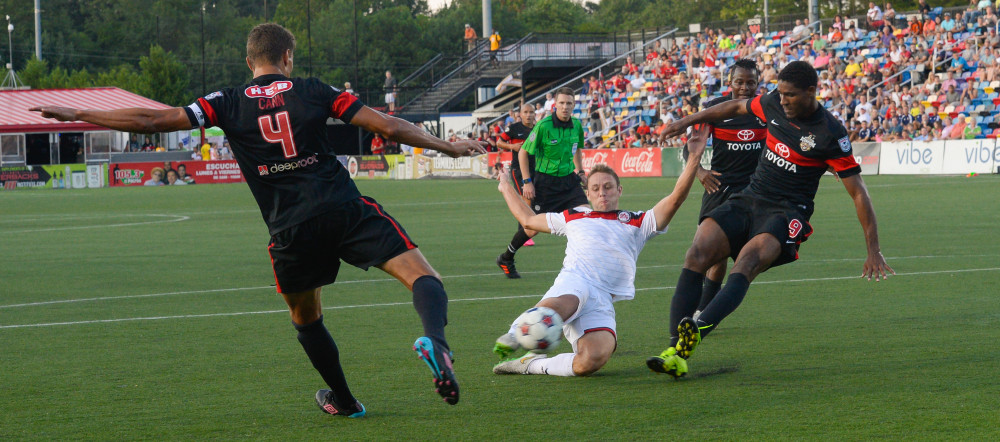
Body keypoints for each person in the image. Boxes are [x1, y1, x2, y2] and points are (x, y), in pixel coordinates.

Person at [32, 23, 486, 415]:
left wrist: (78, 112)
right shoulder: (314, 90)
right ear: (287, 57)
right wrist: (448, 146)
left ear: (249, 60)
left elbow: (155, 119)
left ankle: (345, 400)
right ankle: (436, 343)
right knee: (423, 277)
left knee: (307, 319)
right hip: (343, 208)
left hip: (290, 228)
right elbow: (386, 126)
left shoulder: (225, 102)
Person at [647, 61, 894, 378]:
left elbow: (859, 193)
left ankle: (689, 343)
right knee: (697, 252)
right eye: (781, 93)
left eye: (790, 95)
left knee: (746, 263)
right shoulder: (773, 103)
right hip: (750, 198)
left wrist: (873, 249)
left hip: (787, 212)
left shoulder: (830, 133)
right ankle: (673, 349)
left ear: (810, 91)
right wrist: (686, 121)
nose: (784, 100)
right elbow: (735, 105)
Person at [491, 130, 708, 377]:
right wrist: (506, 186)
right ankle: (517, 332)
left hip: (603, 298)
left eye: (608, 187)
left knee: (592, 360)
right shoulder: (573, 216)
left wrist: (693, 158)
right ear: (588, 193)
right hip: (576, 281)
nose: (602, 192)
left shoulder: (638, 222)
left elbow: (676, 199)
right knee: (559, 308)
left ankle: (530, 365)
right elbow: (528, 220)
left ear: (619, 190)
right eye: (595, 188)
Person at [682, 59, 767, 320]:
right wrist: (700, 172)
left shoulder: (766, 109)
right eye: (739, 82)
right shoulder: (713, 108)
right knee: (713, 255)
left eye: (750, 82)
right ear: (729, 83)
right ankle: (701, 310)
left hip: (754, 190)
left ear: (757, 83)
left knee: (742, 256)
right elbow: (689, 147)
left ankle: (704, 312)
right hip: (719, 187)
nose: (744, 87)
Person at [496, 87, 589, 279]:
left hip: (570, 182)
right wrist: (527, 182)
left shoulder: (577, 125)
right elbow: (523, 153)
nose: (565, 107)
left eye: (569, 103)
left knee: (585, 218)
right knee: (531, 229)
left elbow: (577, 149)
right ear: (555, 104)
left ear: (573, 106)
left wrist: (580, 172)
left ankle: (581, 266)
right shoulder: (543, 126)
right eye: (561, 103)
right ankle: (506, 257)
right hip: (545, 183)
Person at [496, 103, 538, 253]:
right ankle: (524, 234)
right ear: (520, 113)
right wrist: (512, 147)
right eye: (525, 112)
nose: (528, 115)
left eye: (531, 112)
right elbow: (499, 142)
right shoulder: (514, 129)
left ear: (535, 113)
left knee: (532, 200)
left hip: (535, 168)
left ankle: (526, 231)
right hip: (518, 169)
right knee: (527, 199)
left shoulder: (538, 128)